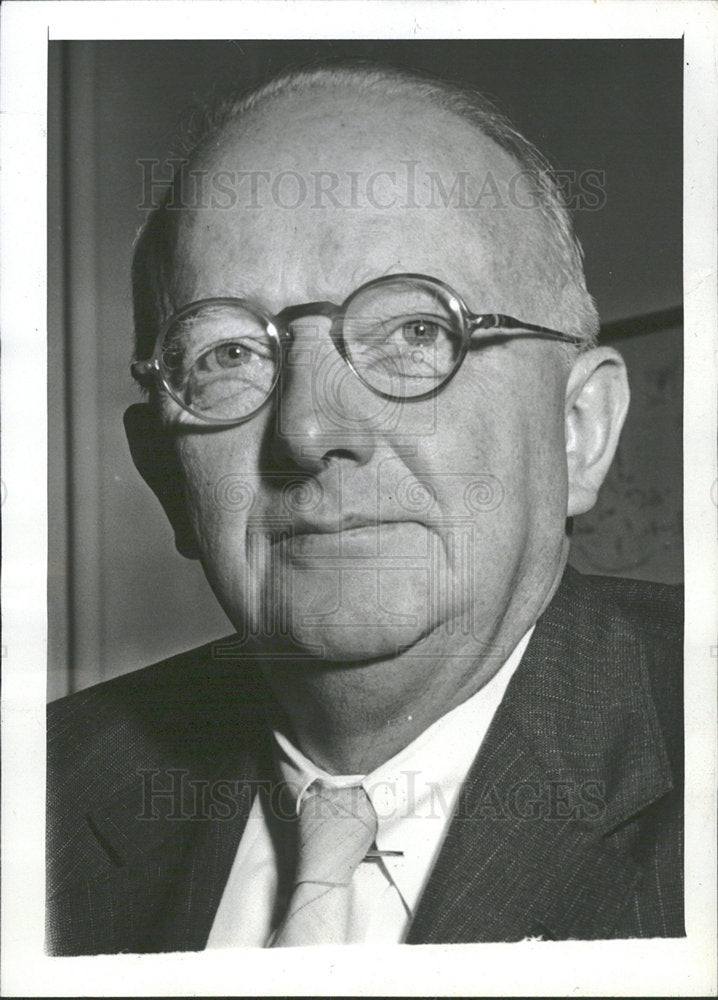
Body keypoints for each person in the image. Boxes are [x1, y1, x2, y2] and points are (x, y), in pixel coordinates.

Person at [47, 62, 683, 954]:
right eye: (229, 354)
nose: (308, 429)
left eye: (419, 333)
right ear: (165, 479)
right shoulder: (40, 794)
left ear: (578, 430)